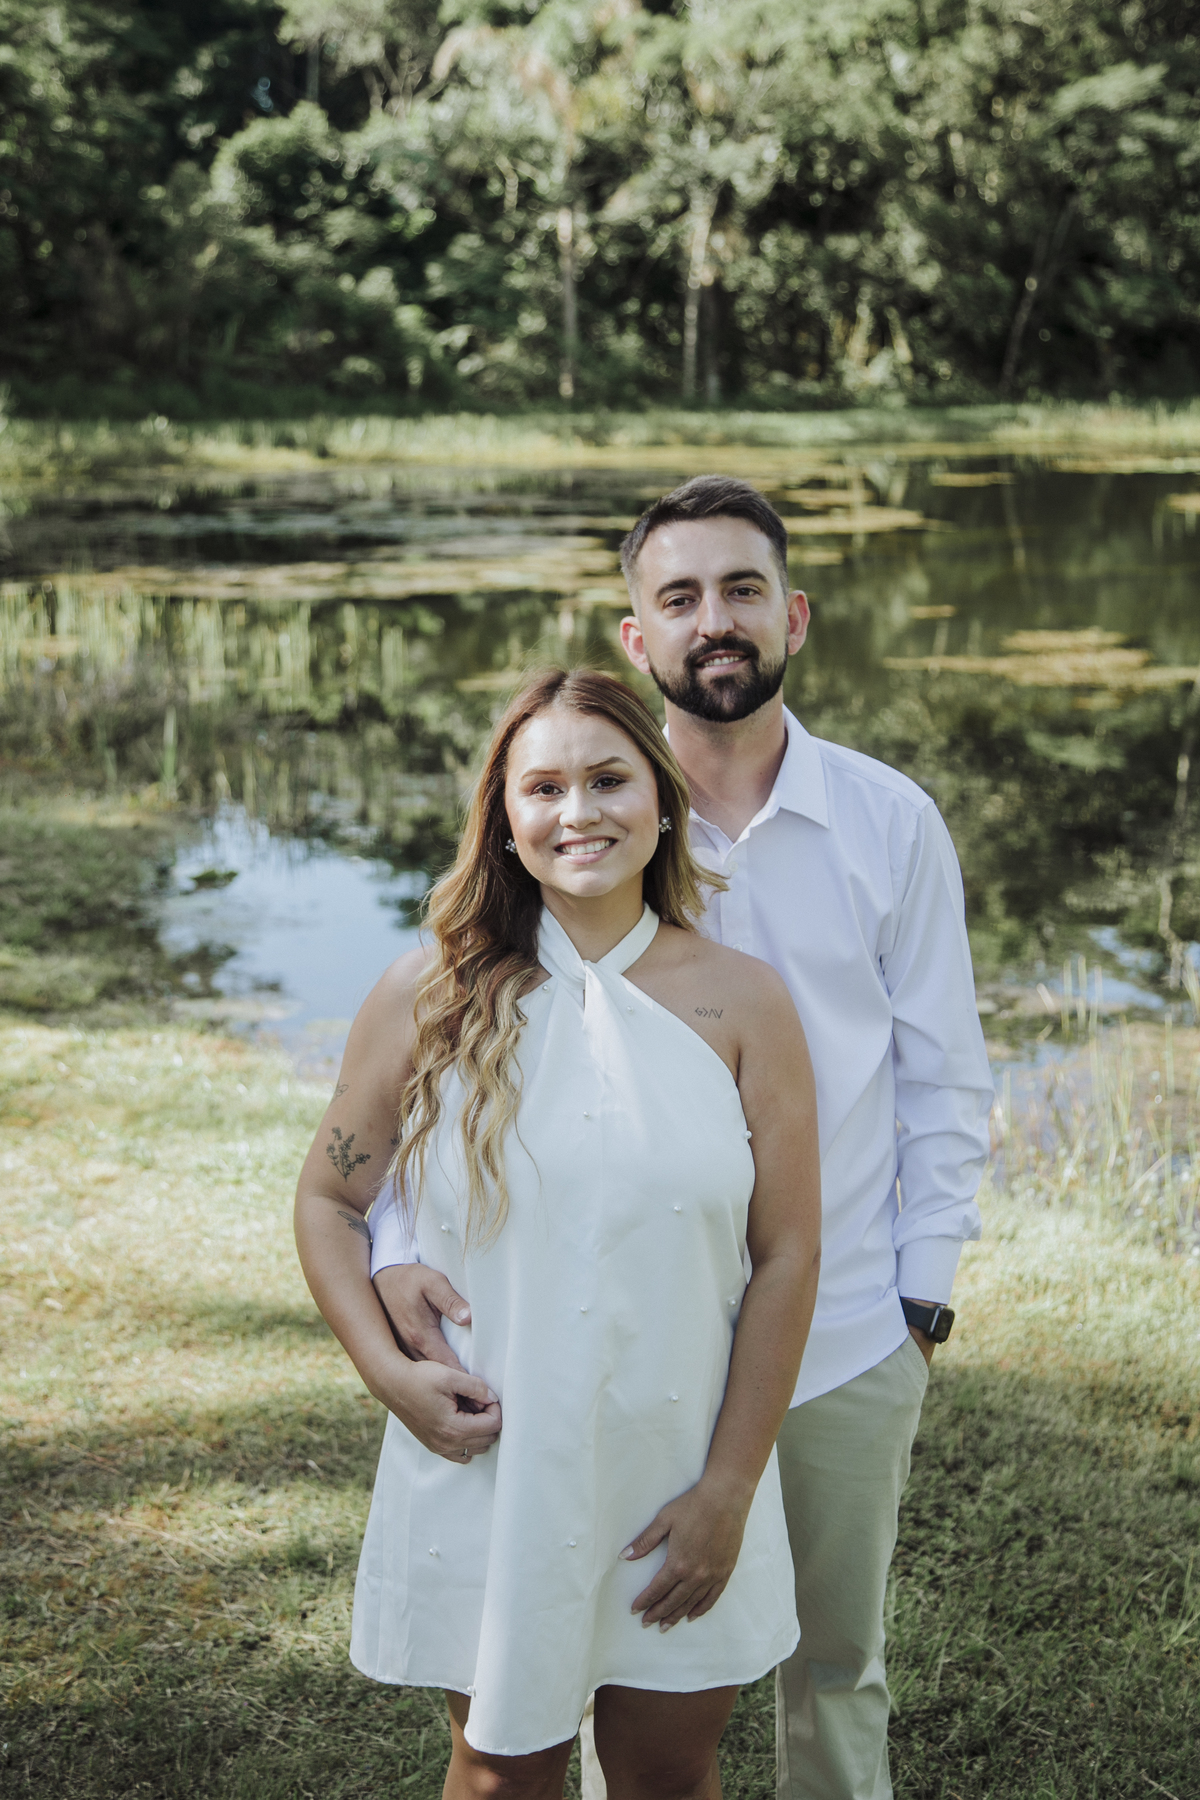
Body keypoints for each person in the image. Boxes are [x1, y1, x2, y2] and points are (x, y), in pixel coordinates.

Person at [371, 479, 994, 1800]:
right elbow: (455, 1067)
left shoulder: (891, 822)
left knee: (835, 1659)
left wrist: (920, 1302)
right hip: (609, 1338)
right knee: (608, 1655)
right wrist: (395, 1250)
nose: (716, 620)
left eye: (743, 590)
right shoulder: (582, 806)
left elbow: (945, 1075)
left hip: (837, 1332)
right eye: (682, 596)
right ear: (637, 633)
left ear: (794, 616)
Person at [295, 667, 822, 1800]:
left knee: (668, 1773)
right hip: (495, 1460)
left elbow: (787, 1257)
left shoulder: (746, 1003)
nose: (577, 812)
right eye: (543, 788)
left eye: (608, 779)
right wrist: (389, 1373)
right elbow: (330, 1201)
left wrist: (731, 1486)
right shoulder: (427, 994)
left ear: (662, 798)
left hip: (679, 1462)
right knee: (499, 1774)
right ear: (504, 818)